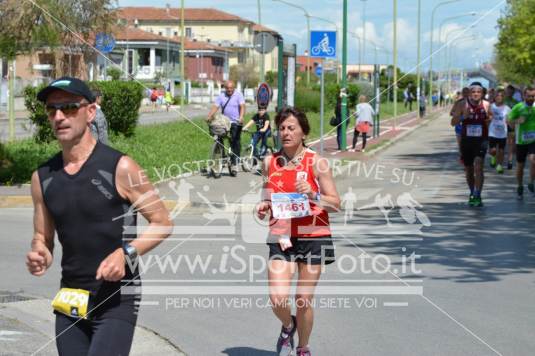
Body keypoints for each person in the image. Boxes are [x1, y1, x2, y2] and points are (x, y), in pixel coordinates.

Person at [26, 77, 173, 355]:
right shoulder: (42, 177)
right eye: (51, 109)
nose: (59, 116)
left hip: (117, 299)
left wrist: (126, 253)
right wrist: (39, 254)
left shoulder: (121, 167)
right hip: (71, 299)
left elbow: (163, 222)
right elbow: (42, 238)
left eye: (69, 107)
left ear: (90, 112)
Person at [256, 107, 340, 356]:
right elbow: (267, 194)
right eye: (282, 127)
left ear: (303, 132)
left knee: (303, 299)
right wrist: (263, 205)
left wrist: (313, 194)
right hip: (281, 235)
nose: (285, 132)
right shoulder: (270, 162)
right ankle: (288, 325)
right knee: (278, 299)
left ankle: (303, 348)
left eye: (291, 127)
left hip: (314, 236)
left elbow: (335, 203)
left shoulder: (317, 162)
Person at [451, 82, 492, 207]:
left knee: (479, 165)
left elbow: (490, 119)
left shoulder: (486, 104)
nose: (476, 94)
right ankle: (472, 192)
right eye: (473, 92)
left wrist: (488, 122)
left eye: (478, 92)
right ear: (469, 93)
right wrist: (464, 116)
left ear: (482, 93)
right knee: (469, 169)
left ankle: (478, 194)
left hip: (481, 140)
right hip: (467, 140)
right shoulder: (462, 104)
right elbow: (453, 122)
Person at [207, 80, 245, 176]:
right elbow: (215, 107)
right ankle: (220, 155)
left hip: (236, 122)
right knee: (218, 136)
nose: (229, 90)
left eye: (231, 88)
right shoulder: (221, 96)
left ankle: (234, 164)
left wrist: (241, 117)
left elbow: (242, 106)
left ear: (234, 88)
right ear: (225, 88)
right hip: (225, 122)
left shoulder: (238, 95)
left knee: (234, 142)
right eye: (227, 88)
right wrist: (209, 116)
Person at [508, 86, 535, 199]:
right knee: (520, 166)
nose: (531, 98)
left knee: (533, 160)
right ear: (524, 95)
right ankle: (520, 186)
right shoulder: (518, 107)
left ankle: (531, 183)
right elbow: (508, 121)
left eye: (533, 96)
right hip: (521, 141)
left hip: (533, 140)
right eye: (529, 96)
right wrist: (517, 121)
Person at [488, 89, 511, 174]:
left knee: (501, 151)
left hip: (503, 133)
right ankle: (493, 157)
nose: (499, 97)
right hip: (492, 131)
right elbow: (488, 116)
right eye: (498, 95)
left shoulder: (507, 108)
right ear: (495, 96)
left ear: (504, 97)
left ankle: (499, 166)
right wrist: (489, 117)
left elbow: (509, 120)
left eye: (502, 96)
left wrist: (511, 126)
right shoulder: (491, 106)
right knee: (493, 150)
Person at [450, 87, 470, 164]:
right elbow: (451, 112)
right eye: (464, 92)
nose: (466, 94)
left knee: (469, 143)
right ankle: (462, 156)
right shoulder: (458, 102)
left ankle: (468, 157)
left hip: (469, 127)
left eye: (467, 92)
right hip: (459, 126)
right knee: (461, 143)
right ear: (462, 93)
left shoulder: (473, 102)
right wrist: (458, 115)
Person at [504, 84, 519, 169]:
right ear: (506, 92)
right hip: (501, 125)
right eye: (508, 91)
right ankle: (498, 158)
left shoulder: (516, 102)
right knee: (501, 144)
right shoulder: (502, 100)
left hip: (511, 124)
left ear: (513, 92)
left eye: (511, 92)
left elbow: (517, 114)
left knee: (511, 143)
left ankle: (509, 161)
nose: (510, 93)